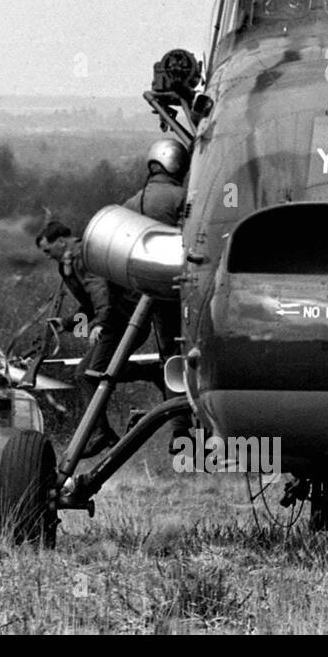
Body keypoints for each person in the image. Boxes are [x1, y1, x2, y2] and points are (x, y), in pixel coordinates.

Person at [36, 219, 154, 457]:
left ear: (61, 241)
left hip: (125, 322)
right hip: (119, 321)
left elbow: (101, 292)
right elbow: (90, 305)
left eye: (48, 250)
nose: (48, 256)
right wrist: (67, 323)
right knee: (88, 373)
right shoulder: (70, 262)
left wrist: (100, 323)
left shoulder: (84, 257)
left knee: (89, 374)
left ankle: (102, 434)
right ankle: (152, 373)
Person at [122, 137, 192, 445]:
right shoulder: (185, 197)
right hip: (186, 290)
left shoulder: (133, 202)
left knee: (170, 358)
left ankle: (179, 429)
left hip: (151, 292)